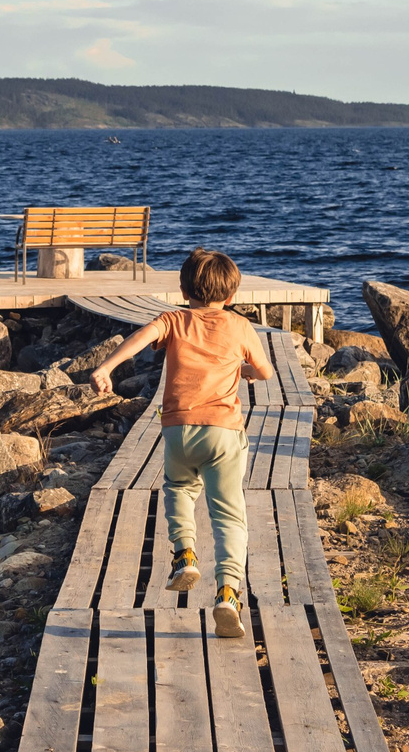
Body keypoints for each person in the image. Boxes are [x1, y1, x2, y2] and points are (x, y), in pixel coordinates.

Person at [85, 248, 271, 638]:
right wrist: (245, 370)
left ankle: (185, 553)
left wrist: (105, 367)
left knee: (179, 490)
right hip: (223, 432)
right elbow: (266, 371)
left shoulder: (173, 319)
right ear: (232, 295)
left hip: (179, 430)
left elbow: (140, 337)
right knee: (229, 516)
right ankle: (228, 594)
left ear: (184, 291)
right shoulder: (239, 326)